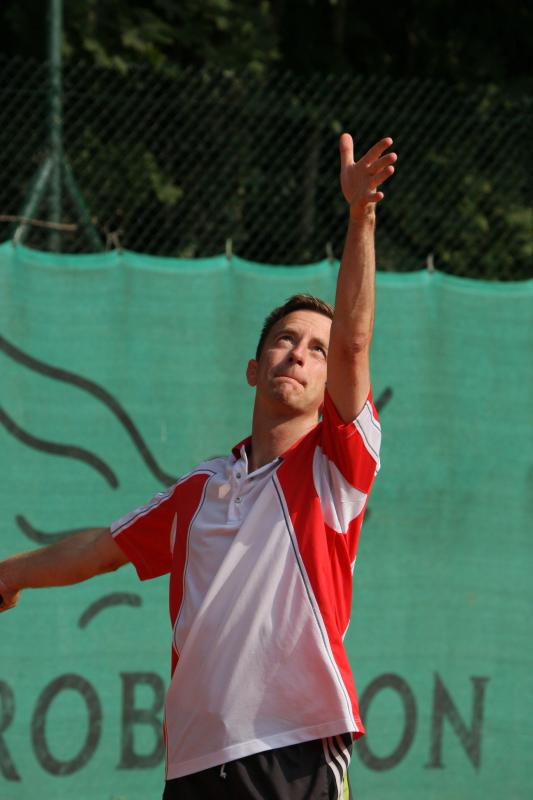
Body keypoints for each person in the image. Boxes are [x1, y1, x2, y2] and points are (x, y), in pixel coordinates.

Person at [0, 132, 397, 799]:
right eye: (285, 340)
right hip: (192, 762)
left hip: (295, 750)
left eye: (315, 350)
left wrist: (360, 216)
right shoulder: (200, 489)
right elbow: (100, 549)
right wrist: (8, 575)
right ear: (254, 368)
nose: (299, 354)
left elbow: (355, 345)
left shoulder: (335, 468)